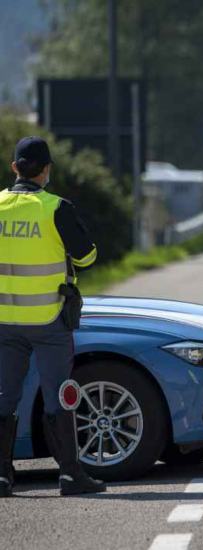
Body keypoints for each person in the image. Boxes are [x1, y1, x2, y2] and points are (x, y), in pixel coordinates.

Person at [0, 136, 105, 497]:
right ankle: (71, 476)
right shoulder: (56, 208)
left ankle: (1, 478)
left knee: (4, 396)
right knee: (60, 394)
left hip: (3, 322)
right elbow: (88, 257)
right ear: (46, 171)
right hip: (47, 320)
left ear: (15, 168)